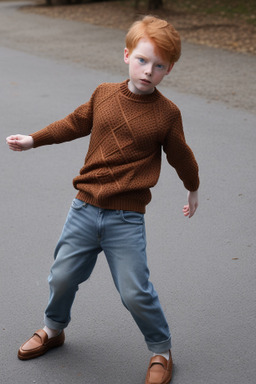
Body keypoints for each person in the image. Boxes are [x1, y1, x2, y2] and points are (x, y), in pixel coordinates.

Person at [6, 15, 199, 384]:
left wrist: (193, 187)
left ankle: (161, 349)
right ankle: (53, 329)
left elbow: (181, 156)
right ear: (127, 55)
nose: (148, 71)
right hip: (83, 208)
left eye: (159, 66)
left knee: (134, 291)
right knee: (61, 276)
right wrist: (34, 139)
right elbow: (73, 123)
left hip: (125, 219)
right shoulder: (104, 93)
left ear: (169, 69)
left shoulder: (167, 114)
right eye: (142, 60)